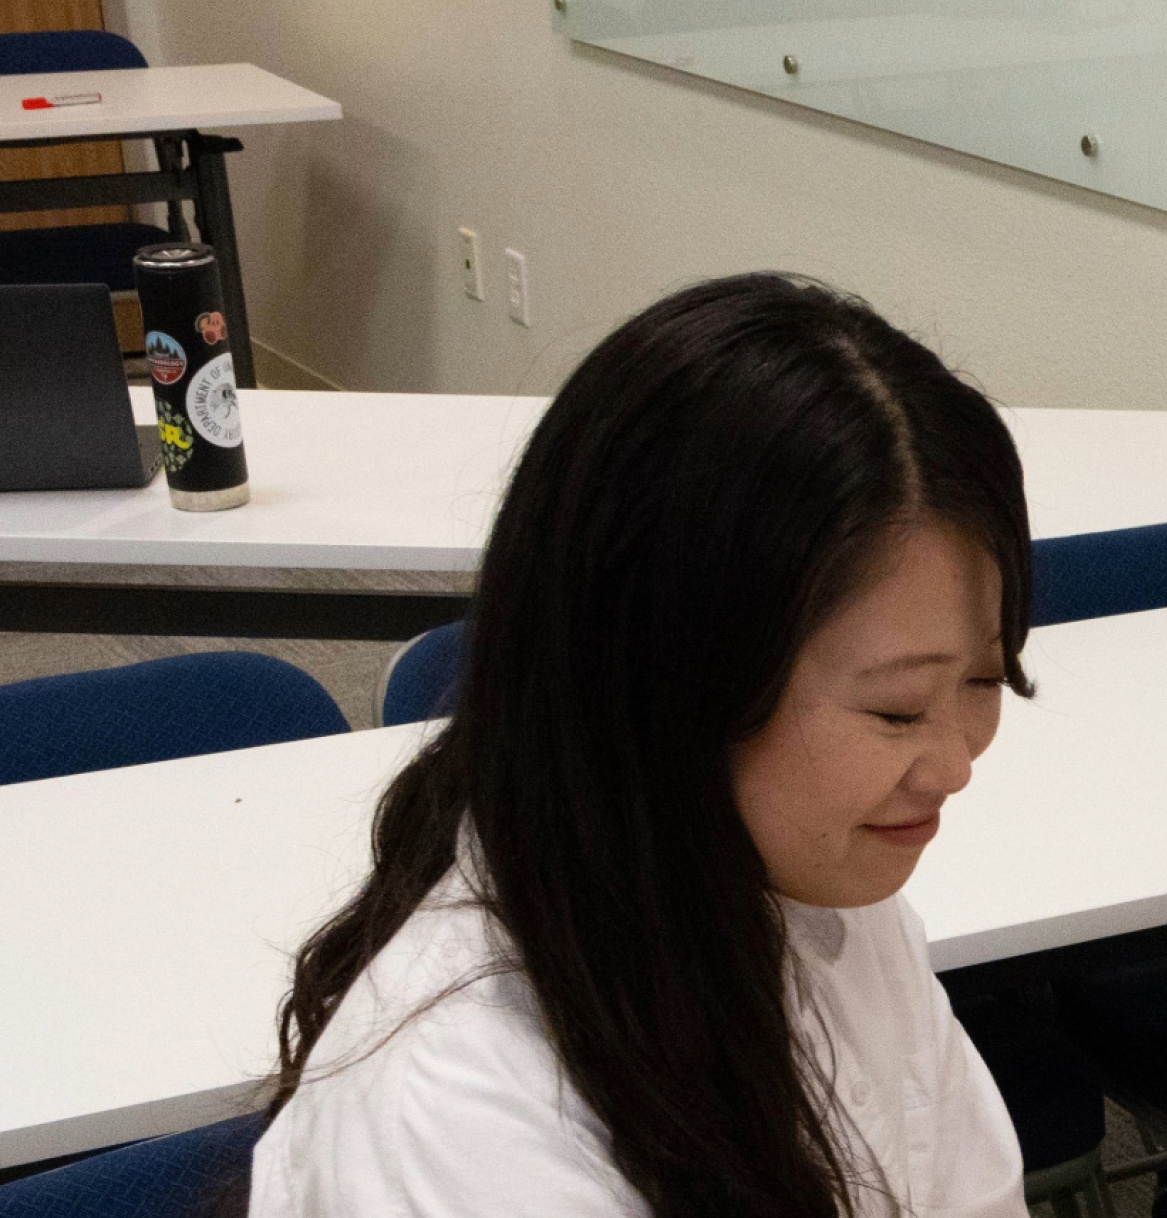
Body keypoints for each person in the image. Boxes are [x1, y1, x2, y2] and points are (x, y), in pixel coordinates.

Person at [250, 274, 1036, 1218]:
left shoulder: (818, 885)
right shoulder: (466, 1105)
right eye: (899, 711)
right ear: (668, 687)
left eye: (986, 681)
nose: (956, 765)